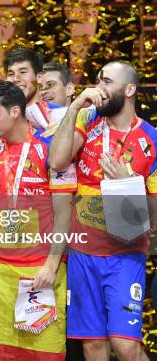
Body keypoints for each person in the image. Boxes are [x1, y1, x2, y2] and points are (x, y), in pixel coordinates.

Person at [49, 61, 157, 361]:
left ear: (130, 89)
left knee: (125, 346)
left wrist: (128, 187)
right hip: (83, 255)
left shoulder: (153, 140)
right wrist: (73, 110)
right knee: (92, 346)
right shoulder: (88, 121)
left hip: (124, 257)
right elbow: (57, 162)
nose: (99, 88)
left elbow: (154, 219)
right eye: (98, 80)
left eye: (107, 81)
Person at [0, 81, 74, 360]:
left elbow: (64, 214)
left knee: (44, 355)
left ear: (15, 111)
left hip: (40, 275)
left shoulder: (51, 150)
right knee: (0, 356)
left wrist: (51, 265)